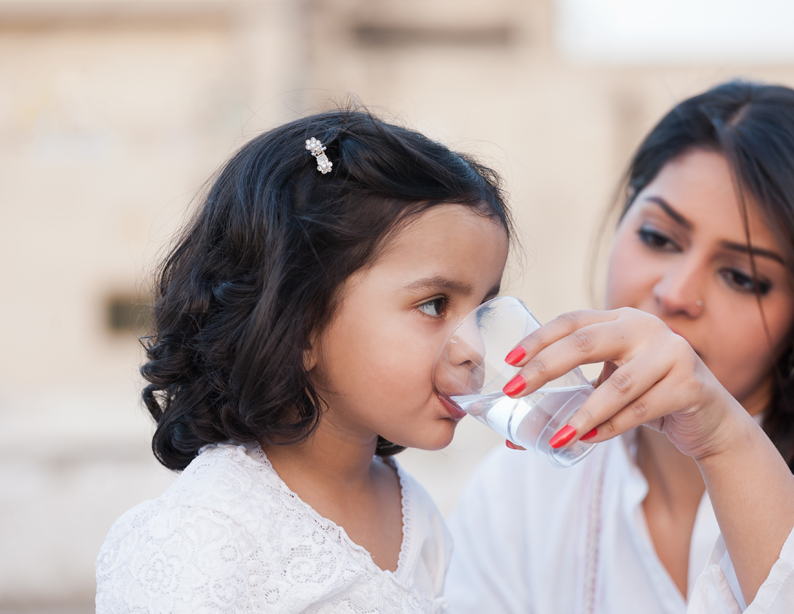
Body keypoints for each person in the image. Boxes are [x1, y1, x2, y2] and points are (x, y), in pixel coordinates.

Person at [446, 81, 794, 613]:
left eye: (741, 277)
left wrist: (723, 438)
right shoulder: (521, 489)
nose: (674, 292)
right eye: (659, 238)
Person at [95, 109, 511, 613]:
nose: (474, 348)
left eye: (483, 313)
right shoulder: (202, 534)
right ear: (301, 321)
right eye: (434, 304)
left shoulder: (412, 508)